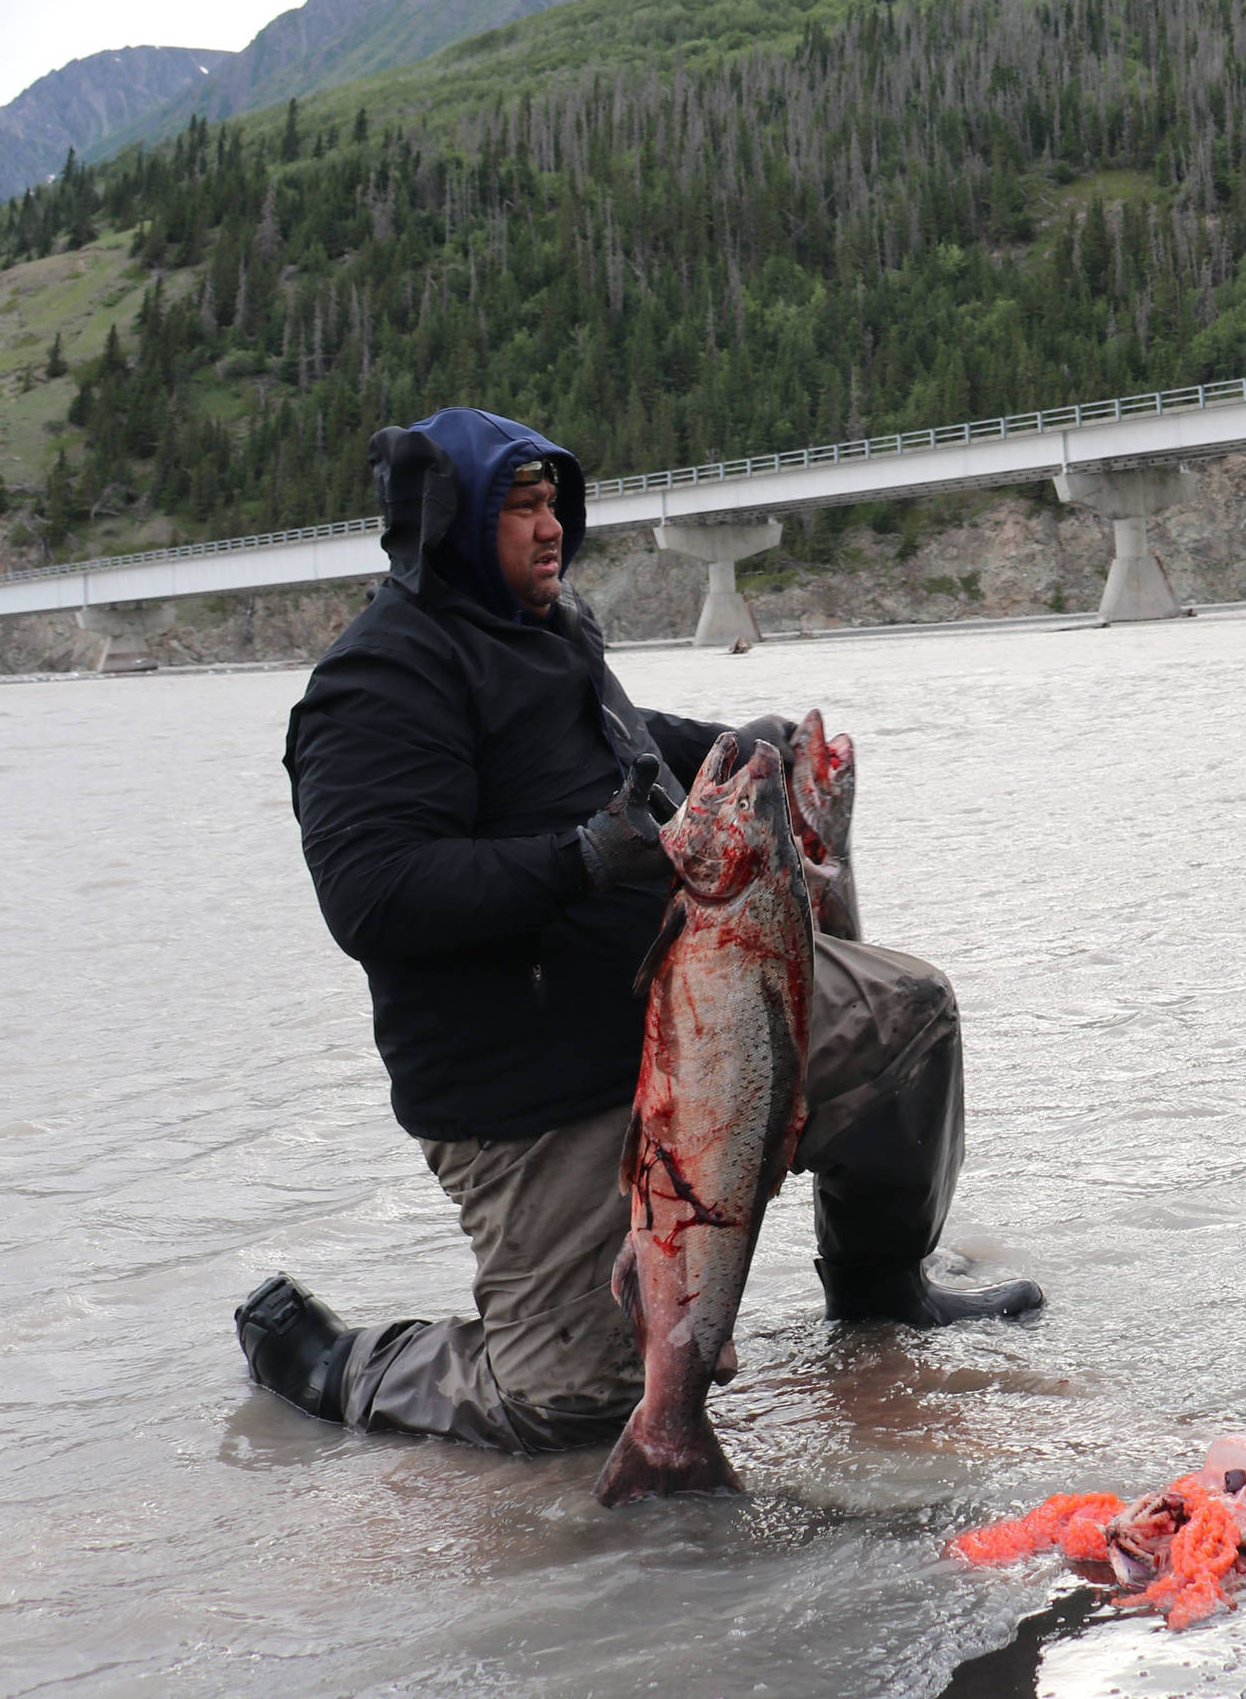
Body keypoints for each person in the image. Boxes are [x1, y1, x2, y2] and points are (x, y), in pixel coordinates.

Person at [237, 406, 1040, 1455]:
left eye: (552, 504)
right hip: (535, 1093)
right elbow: (372, 894)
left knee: (909, 1020)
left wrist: (728, 745)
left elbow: (616, 739)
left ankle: (882, 1294)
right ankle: (351, 1369)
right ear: (452, 525)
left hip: (696, 1025)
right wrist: (580, 858)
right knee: (584, 1406)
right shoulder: (376, 683)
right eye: (518, 508)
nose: (549, 527)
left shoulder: (546, 630)